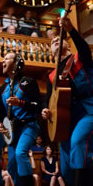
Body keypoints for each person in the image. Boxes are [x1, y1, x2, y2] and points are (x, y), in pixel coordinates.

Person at [41, 16, 93, 186]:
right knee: (66, 165)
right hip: (65, 120)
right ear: (51, 53)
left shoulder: (80, 57)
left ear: (68, 45)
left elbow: (84, 48)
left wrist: (71, 30)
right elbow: (48, 98)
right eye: (53, 42)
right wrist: (45, 110)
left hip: (88, 110)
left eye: (59, 39)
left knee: (78, 143)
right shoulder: (51, 75)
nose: (56, 40)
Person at [0, 52, 42, 186]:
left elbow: (38, 106)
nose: (2, 61)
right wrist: (0, 123)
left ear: (16, 62)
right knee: (11, 165)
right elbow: (0, 111)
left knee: (20, 153)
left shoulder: (28, 82)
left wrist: (21, 103)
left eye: (6, 58)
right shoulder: (4, 87)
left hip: (28, 126)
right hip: (11, 131)